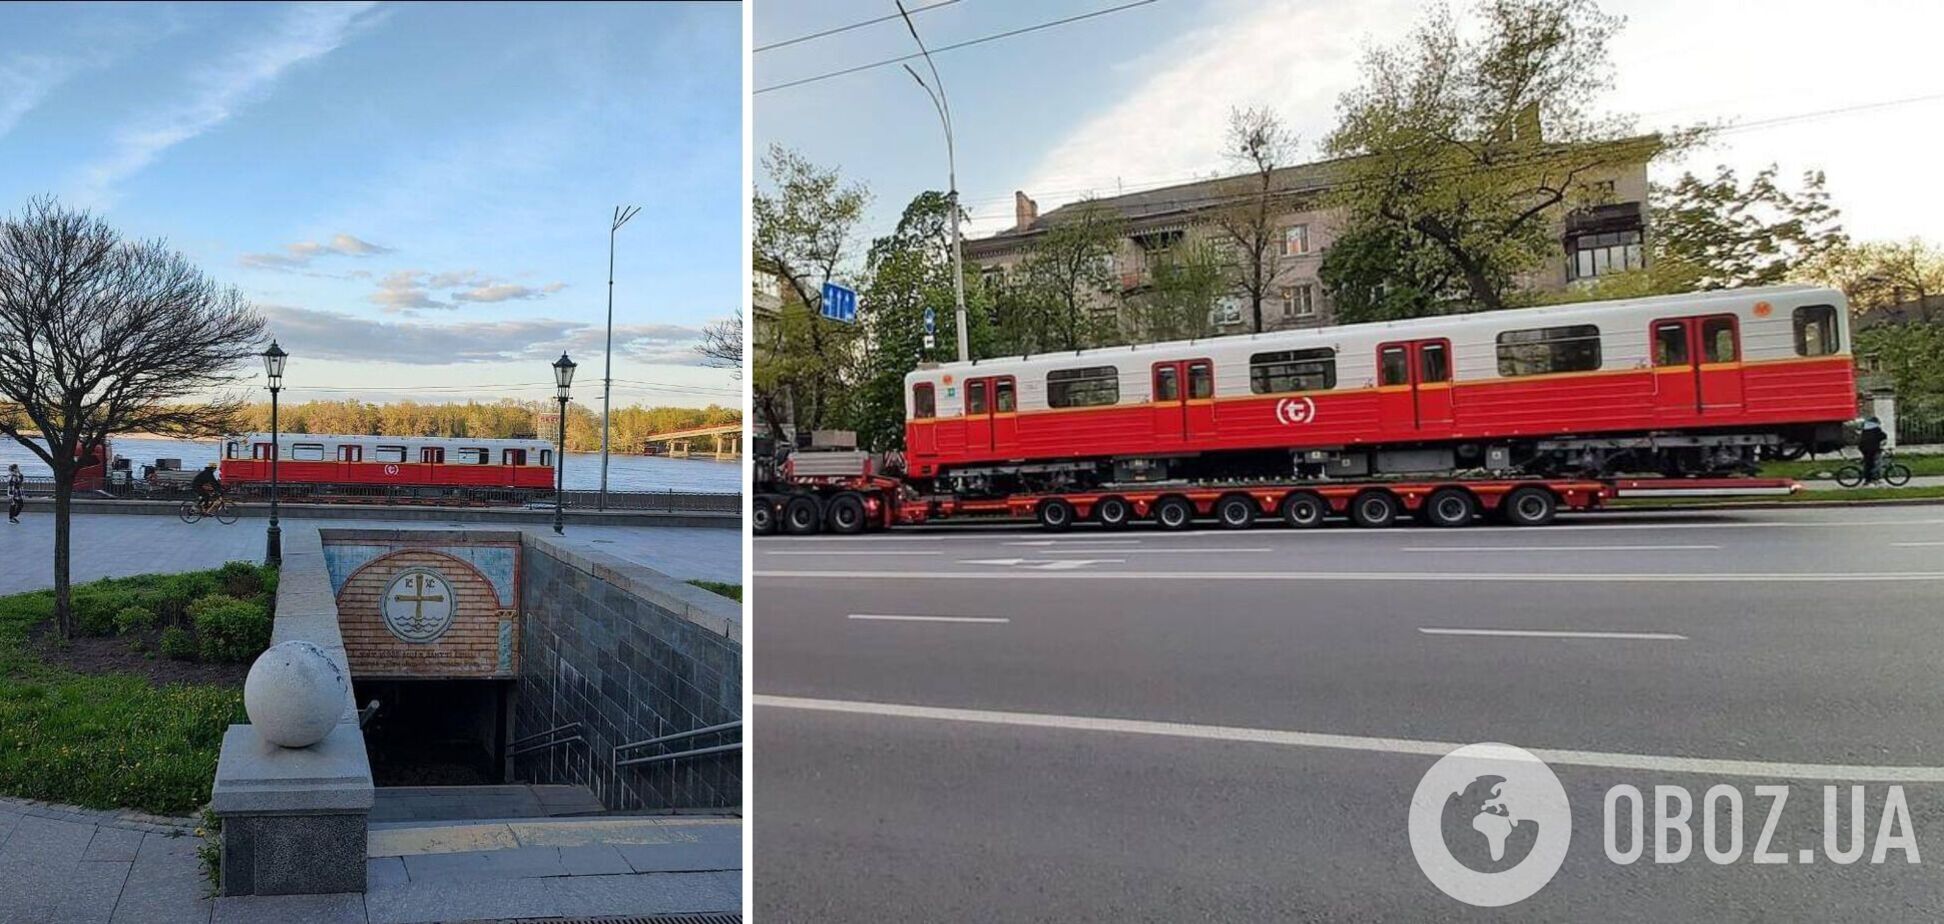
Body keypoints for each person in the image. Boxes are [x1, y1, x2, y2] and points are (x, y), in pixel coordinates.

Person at [1858, 417, 1888, 483]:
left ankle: (1870, 478)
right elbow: (1882, 436)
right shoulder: (1876, 429)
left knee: (1868, 462)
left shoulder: (1865, 429)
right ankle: (1869, 480)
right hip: (1871, 448)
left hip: (1863, 447)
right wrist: (1884, 440)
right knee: (1872, 463)